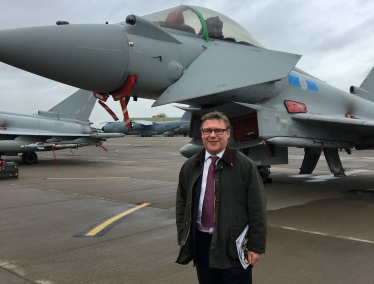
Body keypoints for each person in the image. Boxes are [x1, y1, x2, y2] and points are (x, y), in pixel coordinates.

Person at [175, 111, 267, 284]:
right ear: (201, 134)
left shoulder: (245, 166)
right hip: (201, 243)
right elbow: (181, 203)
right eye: (207, 131)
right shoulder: (191, 166)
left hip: (234, 244)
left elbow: (258, 208)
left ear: (227, 133)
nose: (212, 135)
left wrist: (256, 246)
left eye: (218, 130)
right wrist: (183, 234)